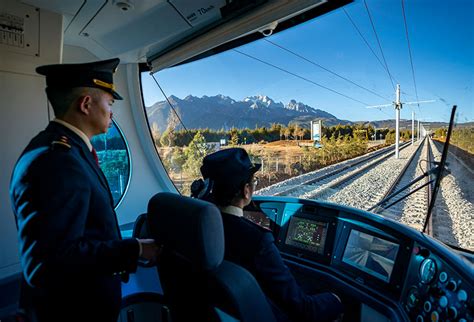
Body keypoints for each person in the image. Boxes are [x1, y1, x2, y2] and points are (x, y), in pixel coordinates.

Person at [9, 58, 160, 322]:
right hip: (73, 310)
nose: (112, 112)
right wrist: (134, 249)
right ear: (86, 104)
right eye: (109, 103)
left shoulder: (67, 150)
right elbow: (53, 261)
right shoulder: (58, 161)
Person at [196, 148, 344, 322]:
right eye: (254, 182)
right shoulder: (257, 240)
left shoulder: (198, 229)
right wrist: (336, 300)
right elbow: (304, 309)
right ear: (246, 191)